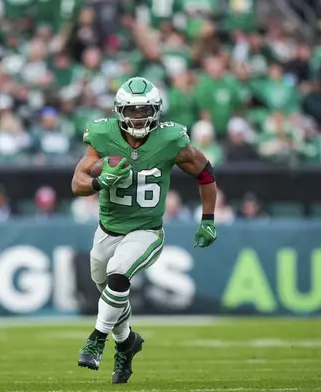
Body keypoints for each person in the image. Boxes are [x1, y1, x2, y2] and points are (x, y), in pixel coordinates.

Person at [71, 77, 217, 384]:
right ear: (119, 111)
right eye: (132, 110)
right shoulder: (101, 134)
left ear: (156, 110)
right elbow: (77, 183)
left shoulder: (171, 140)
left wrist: (208, 218)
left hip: (146, 230)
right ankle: (126, 344)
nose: (138, 116)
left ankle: (96, 339)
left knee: (118, 273)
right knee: (111, 294)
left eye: (145, 109)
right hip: (107, 230)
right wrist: (100, 181)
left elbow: (205, 173)